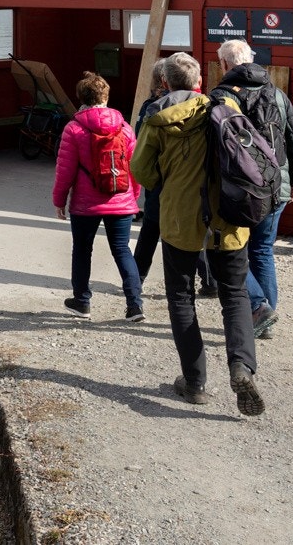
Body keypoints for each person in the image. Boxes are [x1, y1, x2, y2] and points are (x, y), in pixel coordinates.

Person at [130, 51, 265, 416]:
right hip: (229, 221)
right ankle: (241, 366)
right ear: (199, 83)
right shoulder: (224, 111)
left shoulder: (158, 120)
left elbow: (142, 172)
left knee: (180, 297)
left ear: (166, 84)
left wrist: (168, 176)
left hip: (180, 223)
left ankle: (195, 383)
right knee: (234, 295)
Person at [212, 39, 293, 340]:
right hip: (276, 184)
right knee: (263, 250)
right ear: (251, 60)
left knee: (233, 250)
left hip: (240, 190)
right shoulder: (276, 93)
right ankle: (266, 314)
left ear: (224, 64)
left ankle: (258, 307)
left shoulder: (221, 97)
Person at [52, 72, 143, 322]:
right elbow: (134, 168)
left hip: (85, 204)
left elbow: (65, 170)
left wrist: (59, 201)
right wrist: (133, 198)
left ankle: (82, 302)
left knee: (82, 250)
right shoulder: (124, 127)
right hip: (121, 199)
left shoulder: (74, 128)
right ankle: (135, 306)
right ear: (106, 96)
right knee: (123, 250)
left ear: (81, 97)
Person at [132, 59, 218, 296]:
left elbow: (140, 156)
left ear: (163, 80)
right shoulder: (207, 107)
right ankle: (210, 280)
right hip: (195, 183)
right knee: (194, 231)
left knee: (152, 230)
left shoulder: (153, 109)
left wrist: (155, 181)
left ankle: (135, 280)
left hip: (163, 181)